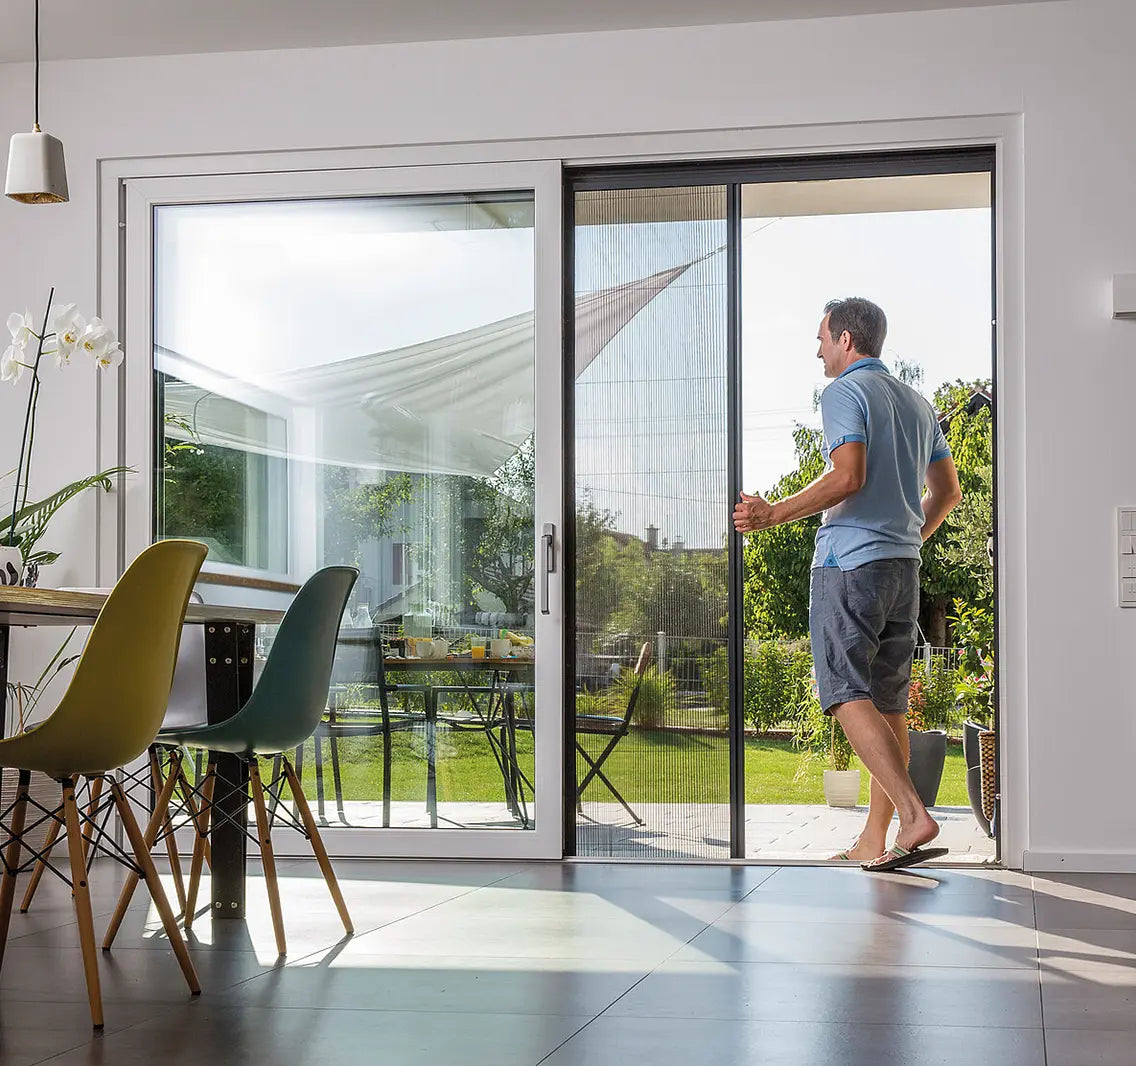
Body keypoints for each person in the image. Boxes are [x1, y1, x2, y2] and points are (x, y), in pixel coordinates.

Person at [733, 297, 962, 872]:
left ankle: (913, 813)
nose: (818, 351)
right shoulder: (918, 403)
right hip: (902, 568)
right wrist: (906, 537)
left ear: (845, 340)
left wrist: (773, 513)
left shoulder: (843, 393)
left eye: (822, 339)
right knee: (888, 703)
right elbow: (948, 493)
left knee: (841, 691)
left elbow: (848, 475)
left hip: (850, 565)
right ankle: (876, 837)